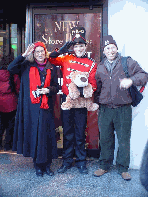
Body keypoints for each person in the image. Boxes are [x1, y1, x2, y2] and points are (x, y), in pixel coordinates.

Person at [94, 35, 148, 180]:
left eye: (112, 47)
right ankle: (104, 166)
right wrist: (95, 102)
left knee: (124, 139)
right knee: (105, 139)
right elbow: (97, 88)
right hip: (104, 109)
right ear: (104, 51)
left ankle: (123, 168)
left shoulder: (127, 62)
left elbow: (144, 75)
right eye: (107, 48)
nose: (110, 50)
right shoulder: (99, 67)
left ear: (116, 48)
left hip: (123, 109)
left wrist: (131, 80)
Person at [49, 27, 97, 174]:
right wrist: (63, 49)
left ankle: (81, 162)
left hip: (81, 101)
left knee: (80, 132)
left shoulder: (91, 64)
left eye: (81, 45)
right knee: (68, 133)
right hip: (67, 102)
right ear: (73, 47)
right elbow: (51, 58)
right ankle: (67, 161)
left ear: (85, 47)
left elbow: (93, 85)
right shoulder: (66, 58)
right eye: (76, 46)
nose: (79, 48)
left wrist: (80, 92)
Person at [8, 41, 59, 177]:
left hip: (46, 108)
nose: (40, 54)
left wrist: (47, 89)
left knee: (47, 136)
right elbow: (10, 68)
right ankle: (38, 166)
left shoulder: (52, 68)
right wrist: (24, 55)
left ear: (45, 53)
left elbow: (56, 87)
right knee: (36, 136)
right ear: (33, 54)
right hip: (31, 109)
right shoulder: (25, 66)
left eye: (42, 51)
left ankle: (47, 166)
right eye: (37, 52)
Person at [0, 54, 20, 151]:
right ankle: (8, 145)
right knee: (10, 125)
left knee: (1, 124)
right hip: (12, 102)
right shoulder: (14, 75)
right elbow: (17, 88)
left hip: (0, 103)